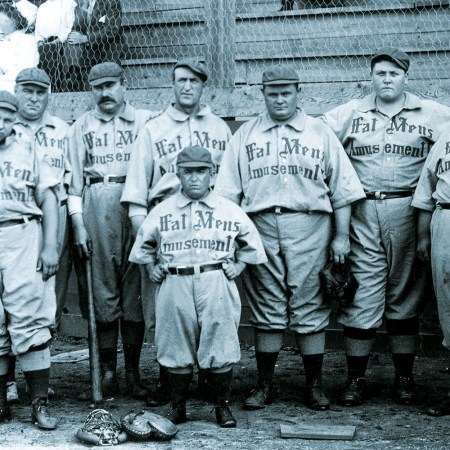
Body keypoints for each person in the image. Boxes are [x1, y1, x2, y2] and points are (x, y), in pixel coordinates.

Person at [214, 65, 365, 411]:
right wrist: (234, 240)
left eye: (286, 92)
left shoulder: (319, 132)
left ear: (299, 92)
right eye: (273, 93)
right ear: (263, 94)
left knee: (310, 304)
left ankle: (314, 385)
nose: (280, 99)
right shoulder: (246, 135)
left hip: (310, 224)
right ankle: (264, 385)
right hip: (259, 225)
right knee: (266, 306)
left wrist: (341, 237)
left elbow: (342, 191)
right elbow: (227, 196)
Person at [322, 48, 450, 406]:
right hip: (362, 207)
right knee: (361, 295)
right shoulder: (351, 112)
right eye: (380, 73)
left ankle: (404, 379)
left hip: (408, 208)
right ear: (371, 77)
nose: (387, 79)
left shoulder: (435, 114)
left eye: (394, 73)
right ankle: (356, 379)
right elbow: (314, 135)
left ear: (406, 76)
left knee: (404, 296)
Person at [129, 145, 267, 427]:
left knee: (220, 342)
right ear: (178, 173)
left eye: (201, 171)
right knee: (174, 344)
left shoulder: (229, 209)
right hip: (175, 279)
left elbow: (252, 246)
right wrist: (151, 267)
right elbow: (143, 246)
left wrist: (239, 265)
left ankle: (221, 406)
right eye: (188, 171)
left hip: (215, 279)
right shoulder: (162, 210)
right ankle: (177, 405)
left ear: (212, 174)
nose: (194, 178)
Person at [121, 58, 232, 406]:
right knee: (163, 313)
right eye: (180, 80)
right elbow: (137, 199)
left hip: (211, 228)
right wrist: (151, 247)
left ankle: (207, 382)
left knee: (212, 310)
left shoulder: (219, 129)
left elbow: (230, 193)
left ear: (203, 86)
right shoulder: (153, 129)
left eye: (194, 81)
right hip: (166, 225)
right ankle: (169, 382)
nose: (187, 87)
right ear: (172, 85)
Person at [67, 62, 154, 400]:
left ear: (124, 85)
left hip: (136, 204)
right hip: (97, 203)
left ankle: (132, 373)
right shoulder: (81, 126)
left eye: (111, 85)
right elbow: (73, 184)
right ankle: (107, 371)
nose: (104, 93)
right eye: (97, 87)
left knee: (134, 292)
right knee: (102, 291)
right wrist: (77, 224)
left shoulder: (146, 121)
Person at [5, 68, 71, 404]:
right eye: (26, 91)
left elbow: (65, 185)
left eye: (40, 92)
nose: (33, 98)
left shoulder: (58, 132)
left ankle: (37, 390)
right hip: (13, 226)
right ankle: (8, 385)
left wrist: (64, 230)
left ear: (48, 95)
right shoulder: (8, 130)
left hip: (42, 225)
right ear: (15, 92)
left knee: (39, 306)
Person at [0, 90, 59, 429]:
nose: (3, 124)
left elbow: (49, 199)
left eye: (9, 118)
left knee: (29, 316)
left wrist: (49, 246)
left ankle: (39, 403)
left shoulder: (27, 147)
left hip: (22, 234)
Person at [412, 134, 450, 416]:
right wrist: (424, 236)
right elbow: (427, 192)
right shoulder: (446, 137)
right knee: (448, 306)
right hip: (446, 217)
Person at [34, 0, 77, 92]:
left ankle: (56, 91)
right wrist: (40, 42)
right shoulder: (42, 7)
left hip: (63, 42)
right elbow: (37, 31)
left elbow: (72, 26)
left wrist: (58, 40)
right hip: (45, 44)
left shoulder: (68, 2)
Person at [0, 5, 38, 92]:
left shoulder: (28, 42)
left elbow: (23, 72)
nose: (1, 27)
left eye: (4, 22)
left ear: (14, 22)